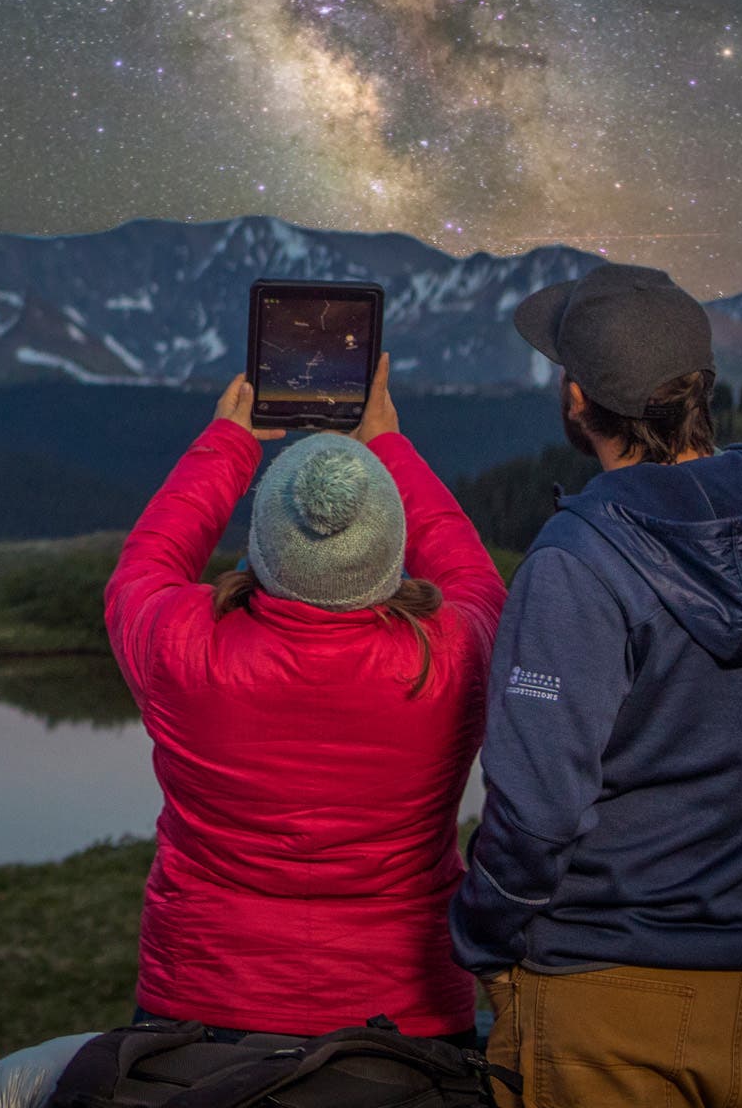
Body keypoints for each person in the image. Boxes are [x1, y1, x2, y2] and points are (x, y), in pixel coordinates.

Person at [451, 261, 742, 1108]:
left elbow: (538, 814)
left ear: (578, 399)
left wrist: (482, 938)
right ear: (700, 388)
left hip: (599, 996)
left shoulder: (577, 562)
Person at [105, 353, 506, 1041]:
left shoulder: (183, 646)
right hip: (408, 1014)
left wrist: (228, 444)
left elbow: (144, 568)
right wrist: (386, 445)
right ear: (390, 551)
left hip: (202, 1004)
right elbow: (476, 580)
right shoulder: (453, 655)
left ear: (262, 549)